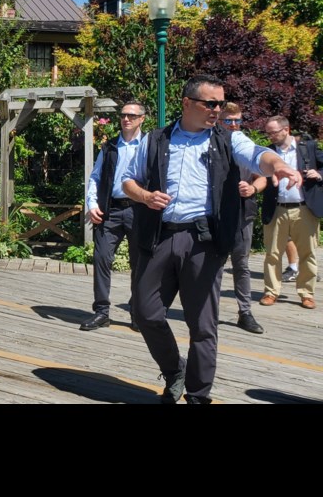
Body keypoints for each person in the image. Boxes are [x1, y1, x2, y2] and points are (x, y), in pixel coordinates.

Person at [121, 74, 300, 404]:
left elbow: (258, 155)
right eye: (210, 103)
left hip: (203, 241)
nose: (218, 109)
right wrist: (145, 196)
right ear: (187, 103)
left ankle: (198, 395)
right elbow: (127, 182)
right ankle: (175, 369)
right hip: (161, 237)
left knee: (202, 325)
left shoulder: (228, 139)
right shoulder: (155, 139)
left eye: (221, 103)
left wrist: (279, 166)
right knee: (145, 314)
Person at [80, 101, 145, 332]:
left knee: (140, 263)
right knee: (101, 258)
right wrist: (92, 203)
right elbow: (95, 177)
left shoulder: (149, 146)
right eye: (123, 115)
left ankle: (138, 312)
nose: (126, 119)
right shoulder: (109, 147)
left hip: (139, 210)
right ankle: (101, 312)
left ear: (141, 119)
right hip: (111, 209)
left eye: (131, 115)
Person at [259, 115, 323, 310]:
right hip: (276, 208)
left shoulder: (308, 148)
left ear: (286, 130)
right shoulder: (267, 152)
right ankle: (271, 292)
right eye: (268, 133)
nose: (270, 136)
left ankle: (307, 293)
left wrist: (319, 174)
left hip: (304, 208)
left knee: (308, 253)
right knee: (272, 254)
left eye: (274, 132)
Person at [218, 104, 266, 333]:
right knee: (213, 265)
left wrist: (253, 188)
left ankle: (245, 313)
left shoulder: (248, 146)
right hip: (215, 216)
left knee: (241, 265)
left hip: (242, 215)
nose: (234, 125)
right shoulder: (211, 144)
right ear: (219, 121)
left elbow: (262, 177)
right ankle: (206, 311)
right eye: (229, 121)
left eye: (238, 120)